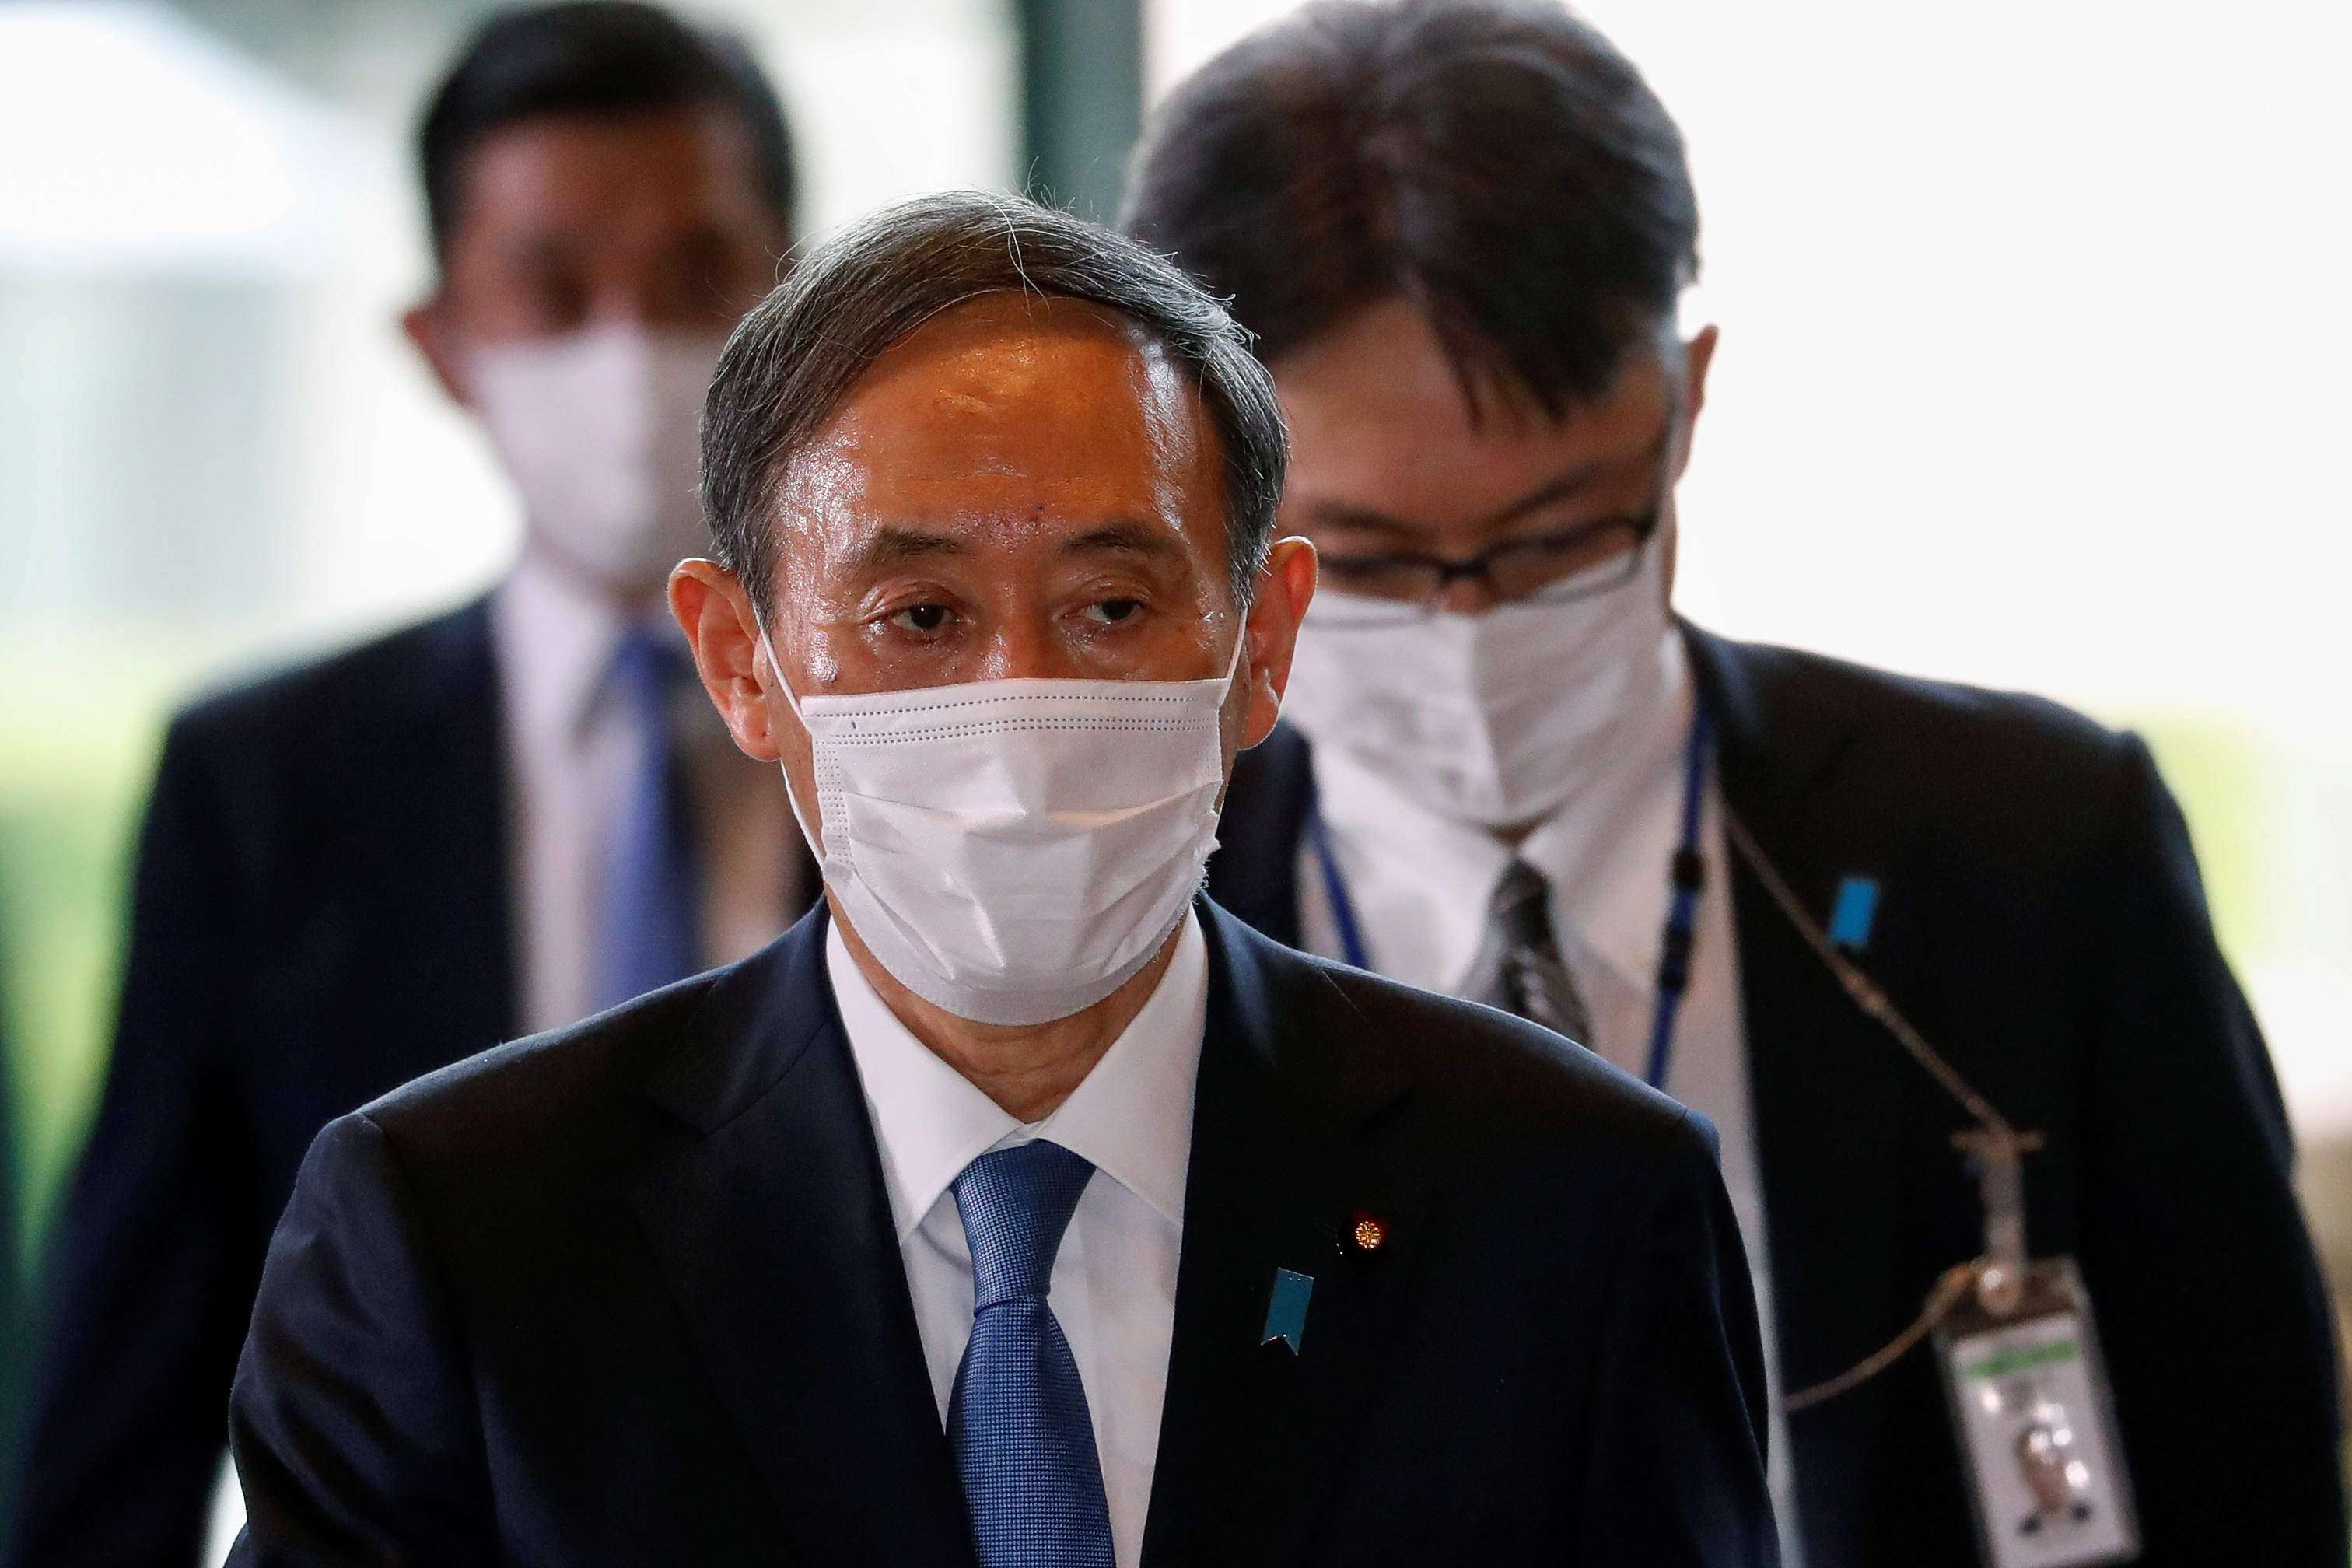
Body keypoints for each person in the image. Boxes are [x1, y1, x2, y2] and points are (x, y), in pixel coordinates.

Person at [222, 191, 1777, 1566]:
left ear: (1264, 642)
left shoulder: (1569, 1206)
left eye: (1113, 606)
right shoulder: (464, 1233)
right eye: (920, 616)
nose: (1020, 701)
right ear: (742, 662)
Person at [1122, 4, 2345, 1566]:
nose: (1470, 621)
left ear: (1686, 402)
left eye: (1560, 536)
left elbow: (2250, 1474)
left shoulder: (2028, 856)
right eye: (1366, 558)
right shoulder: (1118, 899)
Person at [8, 8, 808, 1565]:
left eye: (697, 274)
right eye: (553, 290)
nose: (631, 348)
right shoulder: (267, 783)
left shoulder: (953, 737)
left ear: (794, 307)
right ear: (444, 345)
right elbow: (131, 1369)